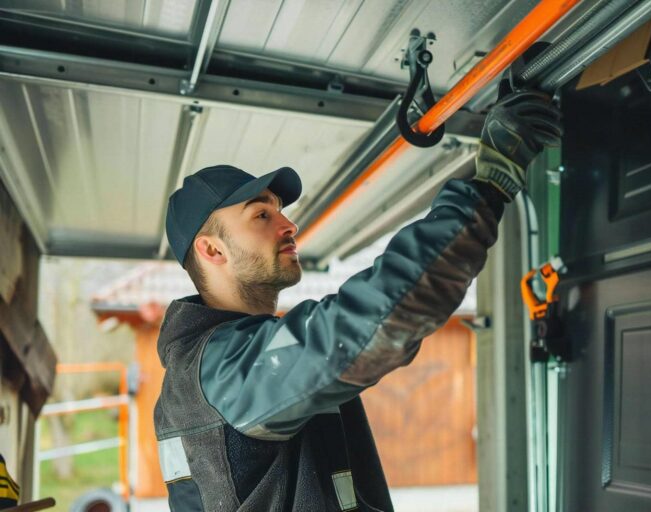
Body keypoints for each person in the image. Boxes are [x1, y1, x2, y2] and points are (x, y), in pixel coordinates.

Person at [154, 87, 561, 512]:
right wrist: (492, 180)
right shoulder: (223, 369)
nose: (289, 224)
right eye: (262, 214)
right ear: (212, 251)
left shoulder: (203, 372)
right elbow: (372, 316)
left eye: (280, 210)